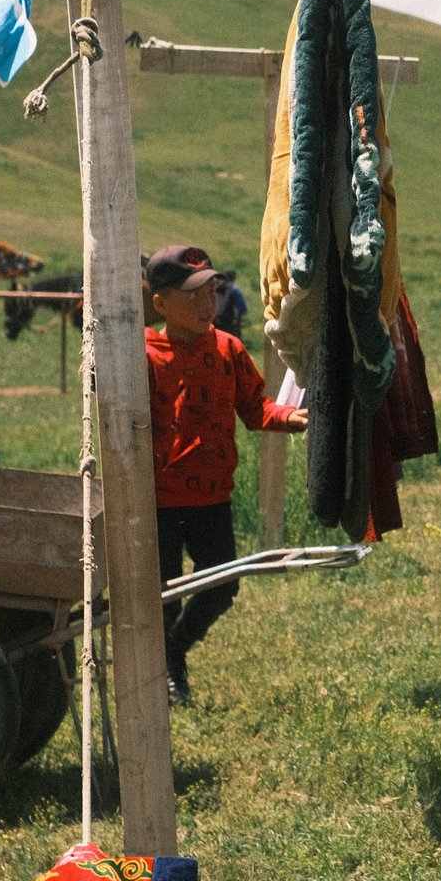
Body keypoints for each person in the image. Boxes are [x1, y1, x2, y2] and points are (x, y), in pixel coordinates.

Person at [144, 244, 306, 705]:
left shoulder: (228, 349)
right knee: (164, 597)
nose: (206, 304)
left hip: (212, 498)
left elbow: (256, 408)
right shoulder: (142, 353)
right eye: (191, 295)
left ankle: (174, 652)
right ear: (160, 302)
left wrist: (289, 417)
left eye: (211, 292)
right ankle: (159, 678)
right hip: (159, 500)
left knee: (221, 588)